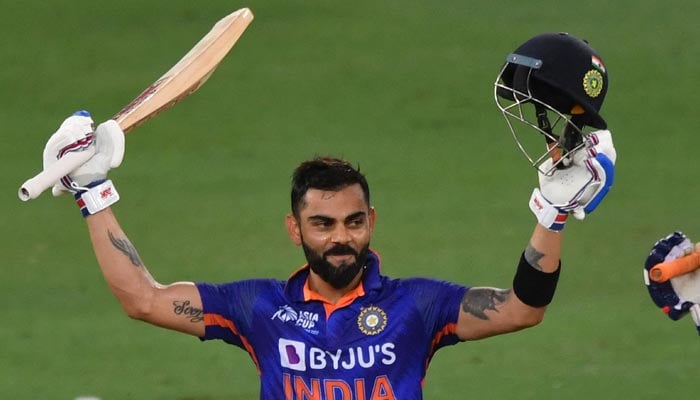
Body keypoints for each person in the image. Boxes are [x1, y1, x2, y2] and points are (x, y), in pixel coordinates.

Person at [36, 32, 616, 399]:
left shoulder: (417, 306)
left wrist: (553, 213)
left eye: (353, 222)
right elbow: (142, 298)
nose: (342, 239)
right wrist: (92, 189)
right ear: (295, 229)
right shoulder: (258, 308)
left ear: (371, 221)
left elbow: (522, 310)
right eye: (323, 224)